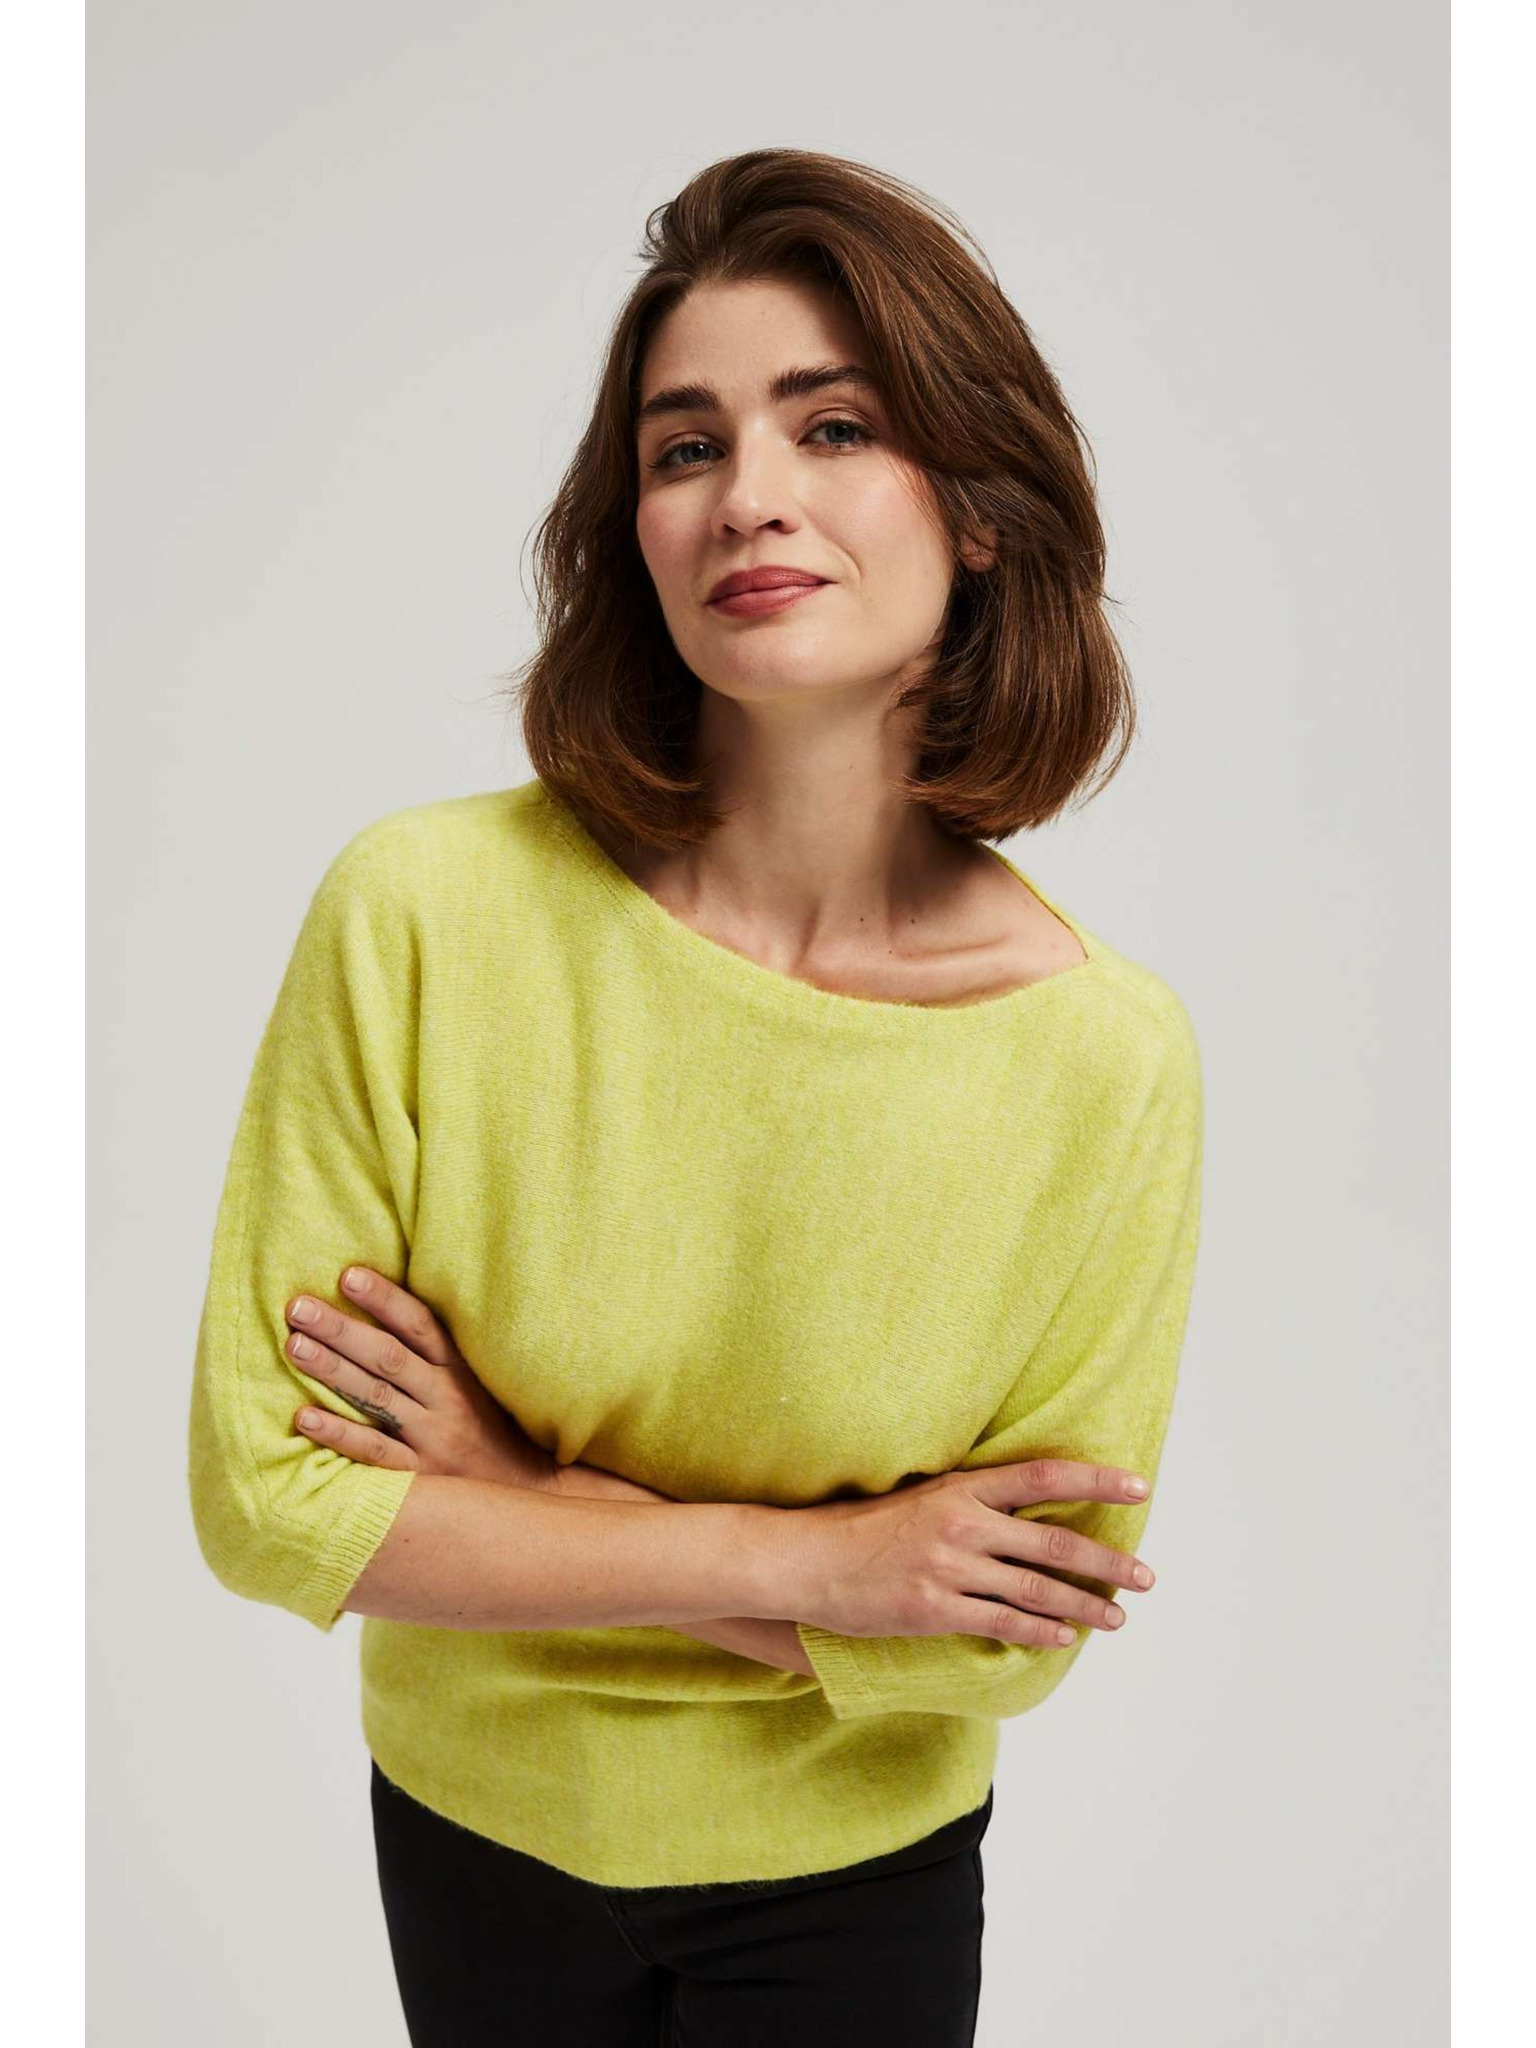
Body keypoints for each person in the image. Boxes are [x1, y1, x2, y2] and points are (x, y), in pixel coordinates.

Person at [187, 147, 1204, 2047]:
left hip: (858, 1883)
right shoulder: (424, 913)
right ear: (633, 526)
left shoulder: (1100, 1056)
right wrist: (820, 1570)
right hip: (469, 1830)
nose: (751, 495)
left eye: (836, 427)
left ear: (982, 512)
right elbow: (269, 1501)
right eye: (684, 447)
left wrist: (511, 1494)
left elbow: (1000, 1649)